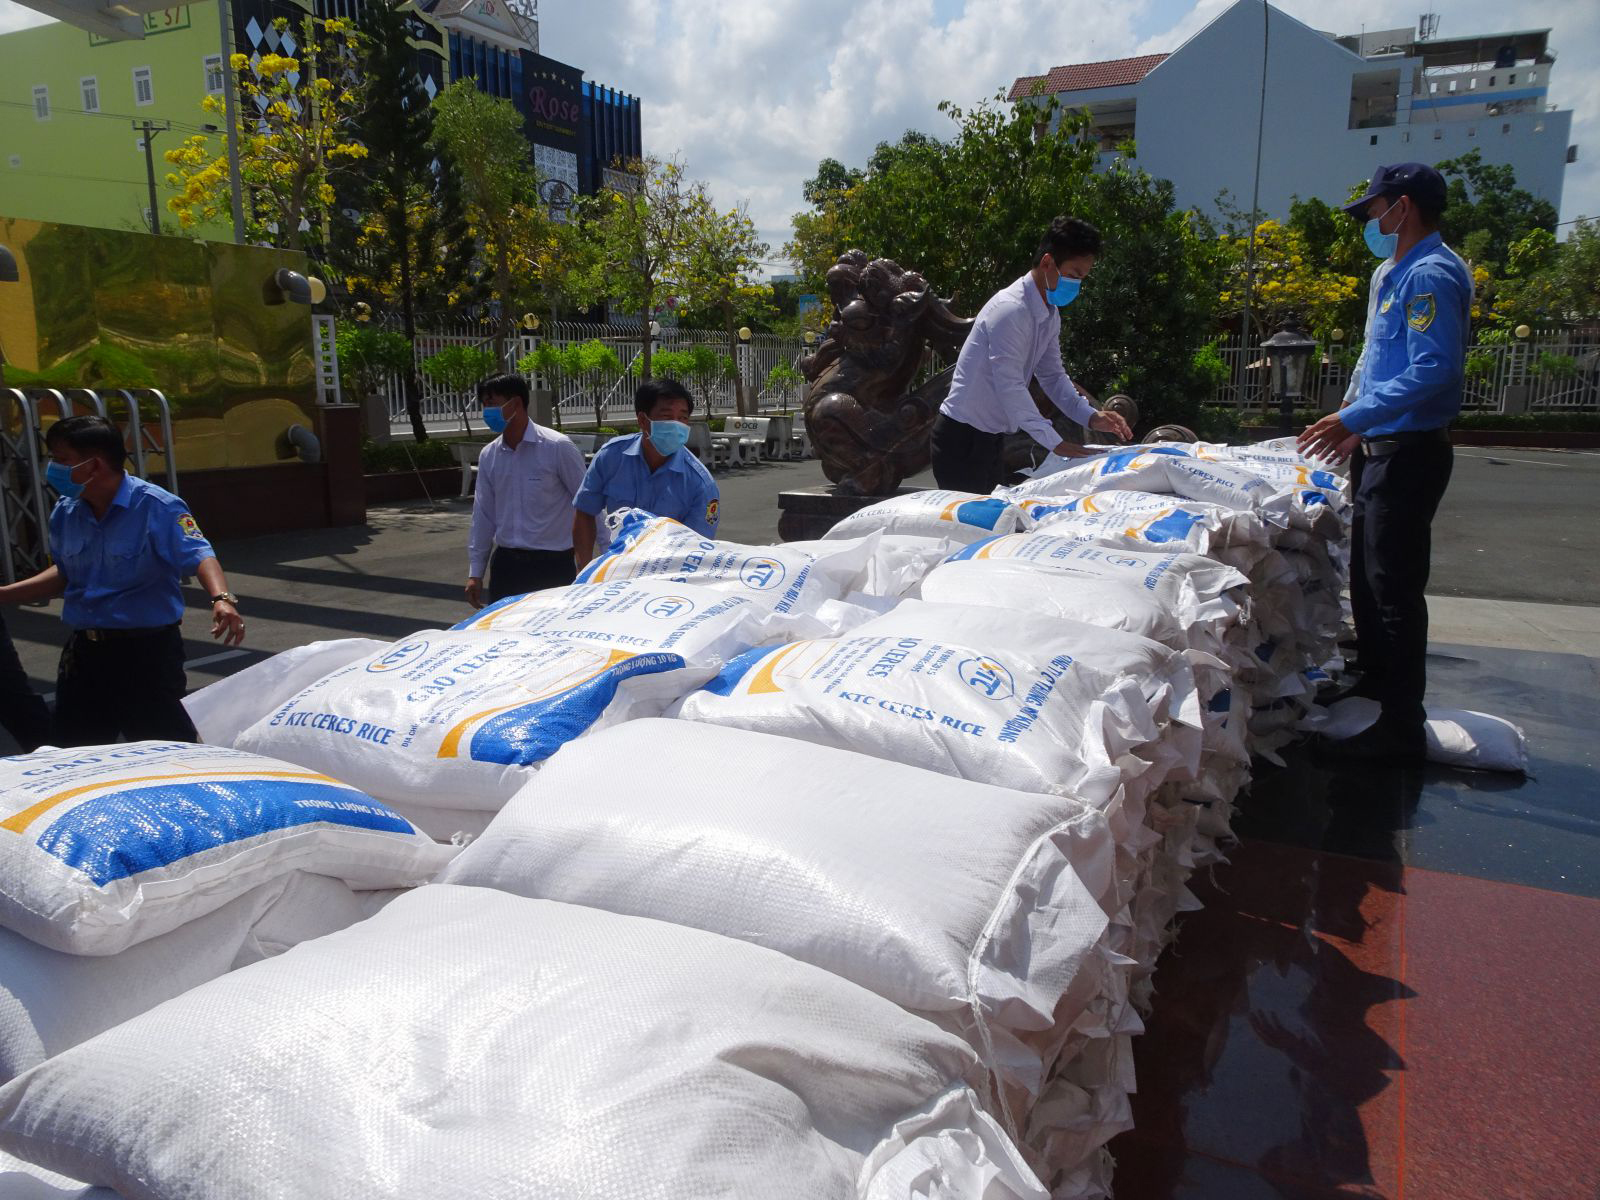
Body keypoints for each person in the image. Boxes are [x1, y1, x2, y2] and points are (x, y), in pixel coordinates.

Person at [1299, 163, 1473, 764]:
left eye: (1376, 209)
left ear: (1404, 206)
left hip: (1410, 451)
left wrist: (1358, 417)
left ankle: (1401, 725)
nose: (1371, 220)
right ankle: (1373, 684)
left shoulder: (1431, 274)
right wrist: (1351, 418)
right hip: (1377, 446)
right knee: (1367, 582)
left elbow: (1434, 368)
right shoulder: (1388, 273)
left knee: (1395, 588)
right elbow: (1374, 357)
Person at [0, 415, 245, 746]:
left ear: (95, 464)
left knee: (163, 751)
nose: (53, 469)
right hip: (85, 655)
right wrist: (5, 594)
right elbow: (65, 573)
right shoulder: (67, 511)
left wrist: (221, 599)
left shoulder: (157, 506)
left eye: (62, 460)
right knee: (76, 754)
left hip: (145, 655)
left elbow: (199, 554)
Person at [931, 216, 1132, 493]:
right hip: (961, 440)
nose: (1076, 286)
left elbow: (1053, 377)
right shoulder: (1010, 310)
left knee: (997, 515)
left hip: (990, 439)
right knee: (976, 519)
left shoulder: (1049, 314)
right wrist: (1055, 442)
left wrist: (1091, 416)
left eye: (1082, 279)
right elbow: (1010, 386)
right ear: (1048, 262)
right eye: (1073, 275)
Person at [465, 373, 587, 608]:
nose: (487, 411)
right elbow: (482, 516)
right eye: (484, 404)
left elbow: (588, 507)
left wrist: (603, 563)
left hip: (553, 565)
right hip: (507, 565)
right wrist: (475, 572)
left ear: (516, 403)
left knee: (552, 628)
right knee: (504, 628)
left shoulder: (557, 447)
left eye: (492, 403)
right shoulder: (490, 455)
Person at [572, 378, 720, 568]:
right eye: (667, 417)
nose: (676, 425)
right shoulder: (611, 457)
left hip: (665, 575)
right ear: (642, 420)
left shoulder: (700, 483)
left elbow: (698, 548)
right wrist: (583, 570)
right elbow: (584, 512)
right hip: (614, 570)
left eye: (683, 418)